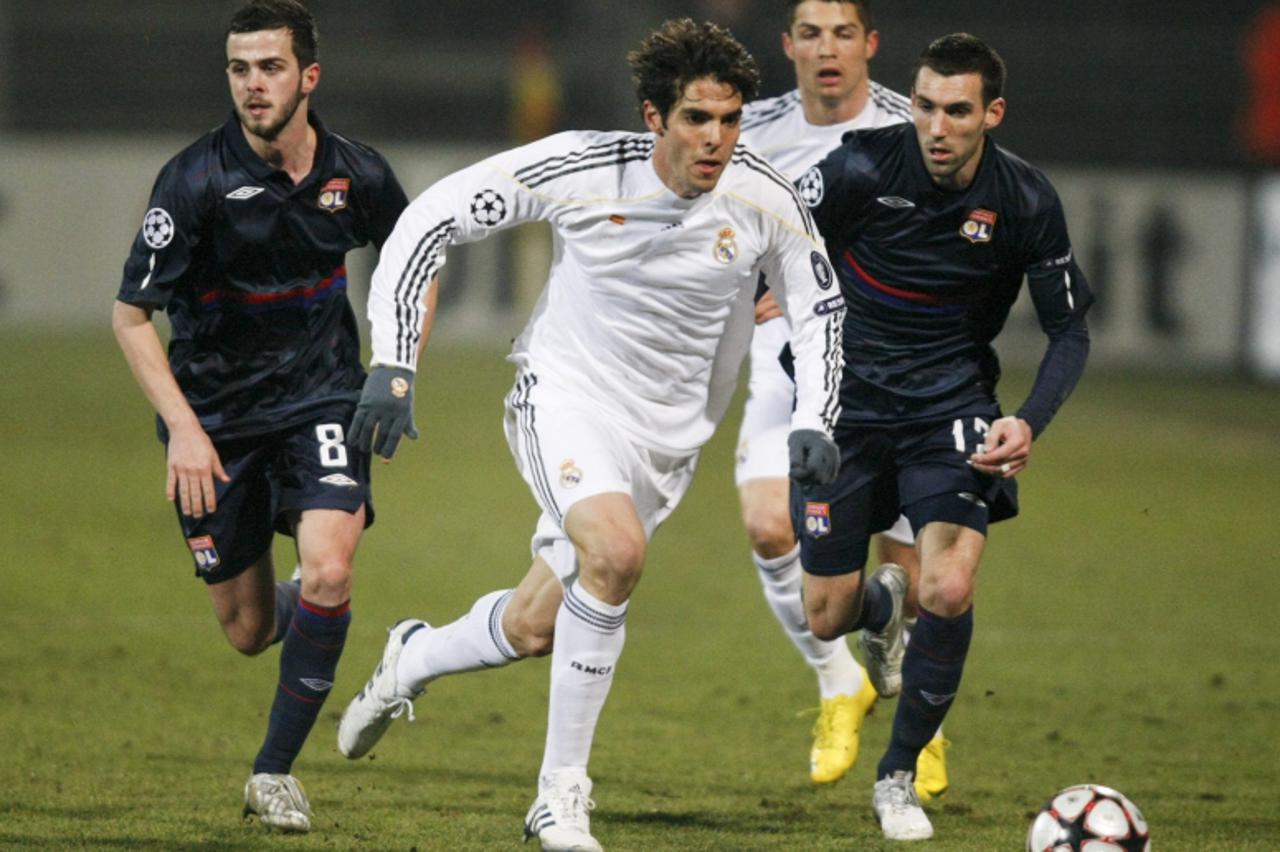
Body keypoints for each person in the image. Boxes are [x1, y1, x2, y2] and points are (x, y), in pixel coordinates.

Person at [335, 19, 845, 852]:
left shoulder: (764, 197)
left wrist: (815, 417)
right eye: (695, 119)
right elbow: (428, 221)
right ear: (654, 118)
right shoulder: (582, 166)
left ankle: (412, 657)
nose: (715, 139)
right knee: (615, 554)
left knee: (538, 625)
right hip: (565, 397)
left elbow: (821, 311)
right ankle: (559, 799)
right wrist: (393, 362)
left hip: (668, 445)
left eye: (729, 120)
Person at [111, 0, 410, 833]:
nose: (253, 85)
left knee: (331, 568)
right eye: (240, 68)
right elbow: (131, 317)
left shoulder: (360, 174)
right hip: (215, 422)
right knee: (247, 630)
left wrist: (395, 364)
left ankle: (273, 773)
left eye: (270, 67)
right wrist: (185, 430)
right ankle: (315, 611)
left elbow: (411, 261)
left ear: (308, 77)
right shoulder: (194, 181)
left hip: (320, 400)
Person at [793, 33, 1092, 841]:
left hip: (948, 409)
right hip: (845, 407)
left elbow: (1069, 331)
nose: (936, 125)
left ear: (990, 114)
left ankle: (897, 776)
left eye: (957, 111)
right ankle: (879, 601)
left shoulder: (1025, 198)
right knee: (824, 617)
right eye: (924, 105)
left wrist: (1027, 420)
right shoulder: (859, 168)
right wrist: (788, 337)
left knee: (949, 588)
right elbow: (781, 242)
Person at [733, 0, 947, 796]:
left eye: (844, 33)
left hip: (892, 365)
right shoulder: (748, 127)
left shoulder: (914, 124)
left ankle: (924, 731)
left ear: (870, 45)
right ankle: (838, 681)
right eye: (812, 34)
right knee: (766, 522)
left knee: (909, 566)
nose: (828, 50)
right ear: (787, 46)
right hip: (784, 358)